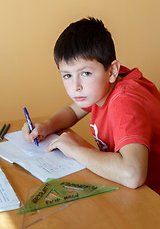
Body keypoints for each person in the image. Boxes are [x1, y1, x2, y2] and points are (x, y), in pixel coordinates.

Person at [22, 17, 160, 194]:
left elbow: (132, 174)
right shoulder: (105, 84)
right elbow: (72, 111)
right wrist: (47, 126)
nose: (75, 86)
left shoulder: (125, 101)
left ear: (112, 71)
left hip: (151, 199)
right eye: (67, 76)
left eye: (85, 73)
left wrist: (76, 150)